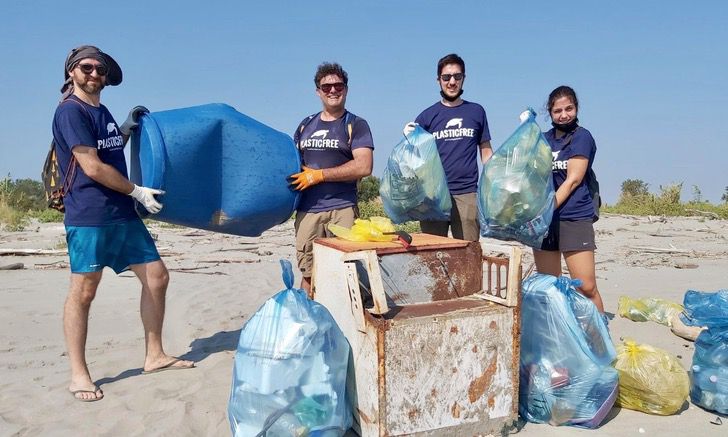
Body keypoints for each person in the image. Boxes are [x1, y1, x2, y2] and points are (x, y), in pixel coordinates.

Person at [52, 45, 194, 402]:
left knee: (157, 276)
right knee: (84, 290)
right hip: (90, 214)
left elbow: (108, 150)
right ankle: (79, 374)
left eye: (100, 70)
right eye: (87, 68)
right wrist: (137, 191)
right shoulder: (71, 111)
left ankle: (154, 355)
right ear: (72, 71)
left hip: (121, 213)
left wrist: (127, 130)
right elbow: (92, 166)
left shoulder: (102, 110)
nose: (95, 74)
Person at [289, 62, 374, 294]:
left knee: (348, 275)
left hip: (343, 209)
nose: (333, 91)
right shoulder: (305, 125)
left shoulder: (355, 125)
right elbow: (291, 163)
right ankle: (308, 323)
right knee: (308, 274)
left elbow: (364, 165)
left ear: (346, 89)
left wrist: (320, 175)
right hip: (308, 210)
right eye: (326, 87)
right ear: (318, 91)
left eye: (338, 85)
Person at [403, 53, 492, 241]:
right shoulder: (426, 117)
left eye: (457, 77)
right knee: (433, 254)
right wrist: (407, 138)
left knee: (468, 254)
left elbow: (485, 151)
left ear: (463, 79)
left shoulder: (476, 111)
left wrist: (496, 179)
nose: (452, 82)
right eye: (446, 77)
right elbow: (413, 160)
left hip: (467, 194)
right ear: (438, 80)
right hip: (433, 196)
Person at [533, 85, 604, 313]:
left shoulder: (582, 137)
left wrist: (548, 207)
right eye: (557, 111)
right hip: (545, 223)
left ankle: (599, 339)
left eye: (569, 108)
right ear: (550, 113)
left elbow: (573, 179)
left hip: (574, 217)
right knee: (551, 287)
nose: (564, 115)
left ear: (576, 108)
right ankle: (561, 336)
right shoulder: (542, 140)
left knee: (586, 287)